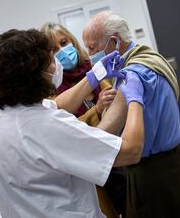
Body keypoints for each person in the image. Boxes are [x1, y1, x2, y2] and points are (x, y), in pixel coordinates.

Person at [0, 28, 145, 218]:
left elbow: (57, 104)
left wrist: (94, 76)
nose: (57, 63)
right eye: (51, 60)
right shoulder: (46, 127)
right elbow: (131, 151)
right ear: (35, 76)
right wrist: (134, 99)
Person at [82, 11, 180, 218]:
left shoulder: (132, 74)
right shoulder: (150, 57)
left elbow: (106, 130)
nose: (89, 56)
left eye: (92, 47)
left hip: (151, 175)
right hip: (174, 165)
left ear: (114, 41)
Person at [40, 22, 122, 217]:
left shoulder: (95, 67)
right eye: (53, 49)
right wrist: (98, 109)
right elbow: (66, 129)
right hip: (91, 163)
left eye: (63, 42)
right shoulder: (51, 90)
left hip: (118, 149)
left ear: (72, 40)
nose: (62, 51)